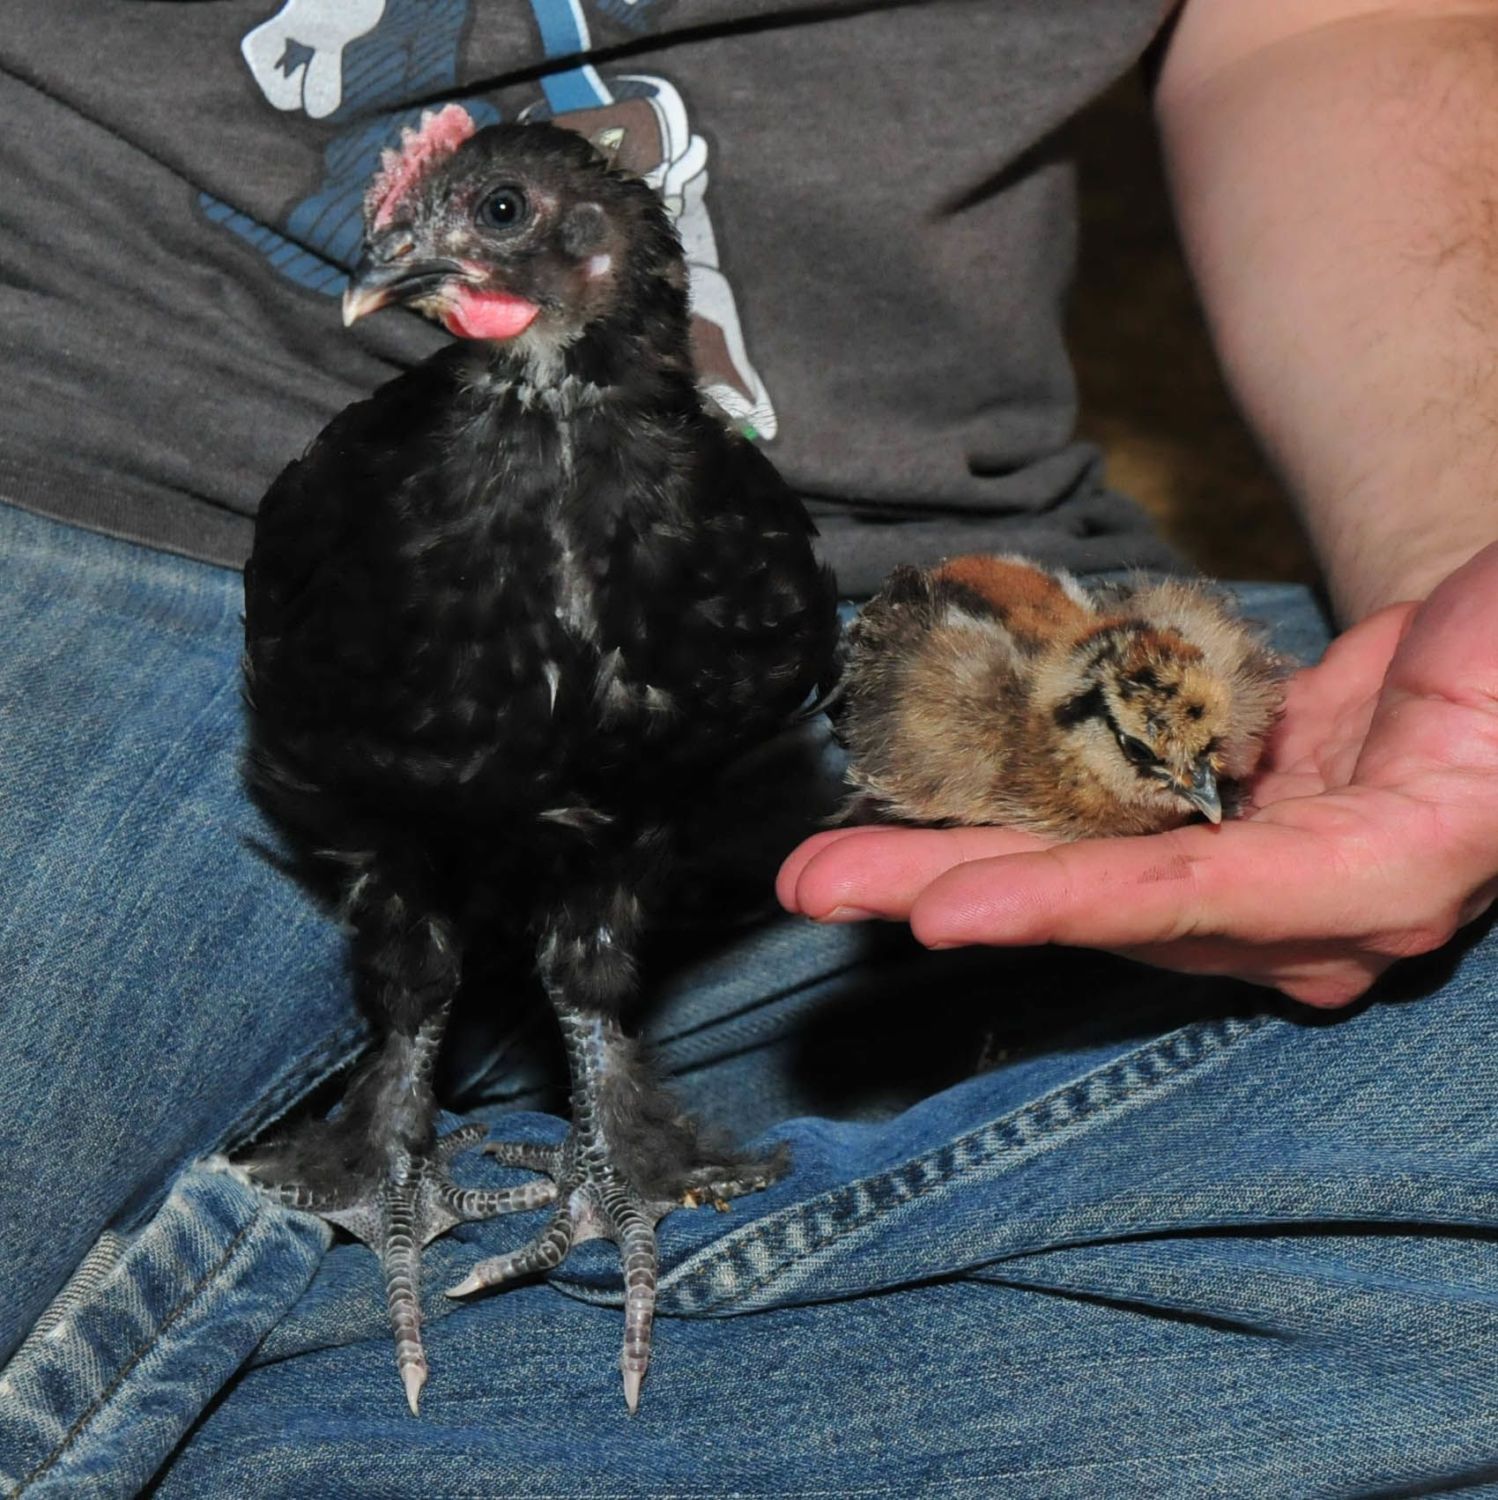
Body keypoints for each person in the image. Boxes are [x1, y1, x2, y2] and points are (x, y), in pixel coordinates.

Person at [2, 0, 1495, 1494]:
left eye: (496, 220)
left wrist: (1451, 588)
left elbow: (1355, 25)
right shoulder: (345, 502)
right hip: (110, 500)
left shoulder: (740, 544)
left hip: (907, 604)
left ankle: (224, 1381)